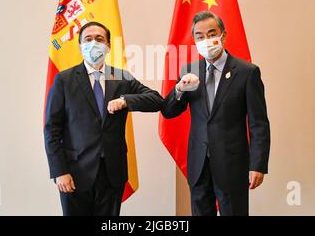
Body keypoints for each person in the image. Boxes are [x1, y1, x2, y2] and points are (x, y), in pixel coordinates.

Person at [44, 21, 163, 216]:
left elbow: (156, 100)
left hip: (112, 174)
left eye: (99, 39)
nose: (93, 44)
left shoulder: (121, 77)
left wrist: (126, 100)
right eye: (88, 39)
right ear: (80, 45)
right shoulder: (64, 80)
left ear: (108, 46)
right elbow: (51, 130)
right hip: (74, 174)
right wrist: (59, 171)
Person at [161, 11, 270, 216]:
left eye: (212, 34)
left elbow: (259, 124)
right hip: (199, 164)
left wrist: (258, 165)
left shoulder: (247, 72)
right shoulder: (189, 70)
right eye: (200, 36)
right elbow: (168, 111)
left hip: (232, 163)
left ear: (223, 35)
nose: (206, 40)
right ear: (194, 40)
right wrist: (179, 90)